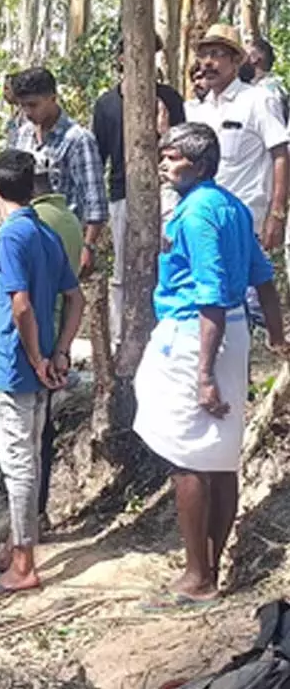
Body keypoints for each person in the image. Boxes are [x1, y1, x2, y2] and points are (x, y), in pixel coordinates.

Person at [133, 123, 288, 607]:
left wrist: (203, 374)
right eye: (163, 155)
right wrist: (277, 335)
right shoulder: (231, 207)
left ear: (199, 165)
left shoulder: (198, 214)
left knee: (188, 458)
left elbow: (211, 293)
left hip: (196, 335)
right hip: (231, 333)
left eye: (174, 157)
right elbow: (262, 279)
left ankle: (197, 576)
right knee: (219, 459)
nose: (164, 164)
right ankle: (210, 566)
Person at [0, 150, 85, 598]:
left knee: (17, 463)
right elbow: (75, 298)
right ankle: (15, 550)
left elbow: (20, 306)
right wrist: (61, 352)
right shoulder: (44, 232)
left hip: (17, 365)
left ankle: (23, 565)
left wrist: (37, 356)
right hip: (41, 366)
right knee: (30, 458)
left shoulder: (11, 236)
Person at [0, 67, 108, 280]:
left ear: (53, 99)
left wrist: (88, 246)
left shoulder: (77, 140)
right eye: (22, 106)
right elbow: (4, 186)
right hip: (25, 239)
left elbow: (95, 201)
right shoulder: (22, 136)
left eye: (33, 105)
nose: (27, 112)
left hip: (60, 240)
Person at [91, 35, 187, 347]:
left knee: (167, 262)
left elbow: (184, 149)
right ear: (120, 58)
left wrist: (164, 130)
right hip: (121, 194)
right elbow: (98, 159)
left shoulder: (169, 99)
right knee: (122, 270)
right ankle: (121, 340)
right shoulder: (105, 105)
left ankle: (165, 332)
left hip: (166, 192)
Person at [185, 24, 289, 253]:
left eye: (216, 54)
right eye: (204, 55)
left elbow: (281, 154)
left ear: (235, 61)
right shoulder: (199, 111)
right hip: (204, 224)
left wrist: (277, 213)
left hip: (246, 222)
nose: (208, 62)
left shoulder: (258, 100)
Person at [245, 36, 287, 123]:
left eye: (244, 56)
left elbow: (275, 129)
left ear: (255, 58)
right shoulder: (258, 88)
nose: (238, 62)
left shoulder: (267, 92)